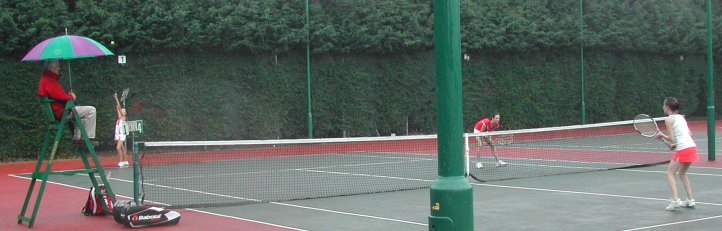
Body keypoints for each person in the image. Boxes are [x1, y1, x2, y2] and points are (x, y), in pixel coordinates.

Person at [37, 59, 97, 143]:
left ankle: (77, 137)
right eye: (58, 68)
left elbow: (57, 95)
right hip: (62, 112)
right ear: (52, 68)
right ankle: (87, 138)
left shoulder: (44, 79)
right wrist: (71, 97)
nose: (59, 69)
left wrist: (68, 96)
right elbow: (59, 95)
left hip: (57, 111)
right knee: (91, 110)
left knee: (82, 114)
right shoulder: (49, 80)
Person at [656, 97, 697, 211]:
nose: (663, 107)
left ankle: (675, 200)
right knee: (682, 173)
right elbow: (688, 133)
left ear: (668, 106)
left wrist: (661, 135)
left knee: (669, 173)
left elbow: (671, 138)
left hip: (684, 149)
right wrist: (672, 144)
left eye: (663, 105)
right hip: (691, 147)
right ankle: (690, 200)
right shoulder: (681, 118)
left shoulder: (669, 119)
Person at [113, 92, 129, 168]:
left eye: (123, 110)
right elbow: (117, 107)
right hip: (118, 135)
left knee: (118, 148)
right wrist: (117, 104)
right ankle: (126, 161)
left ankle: (121, 161)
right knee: (122, 148)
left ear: (125, 113)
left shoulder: (124, 118)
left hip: (122, 135)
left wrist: (116, 98)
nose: (122, 111)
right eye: (121, 110)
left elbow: (118, 107)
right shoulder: (119, 118)